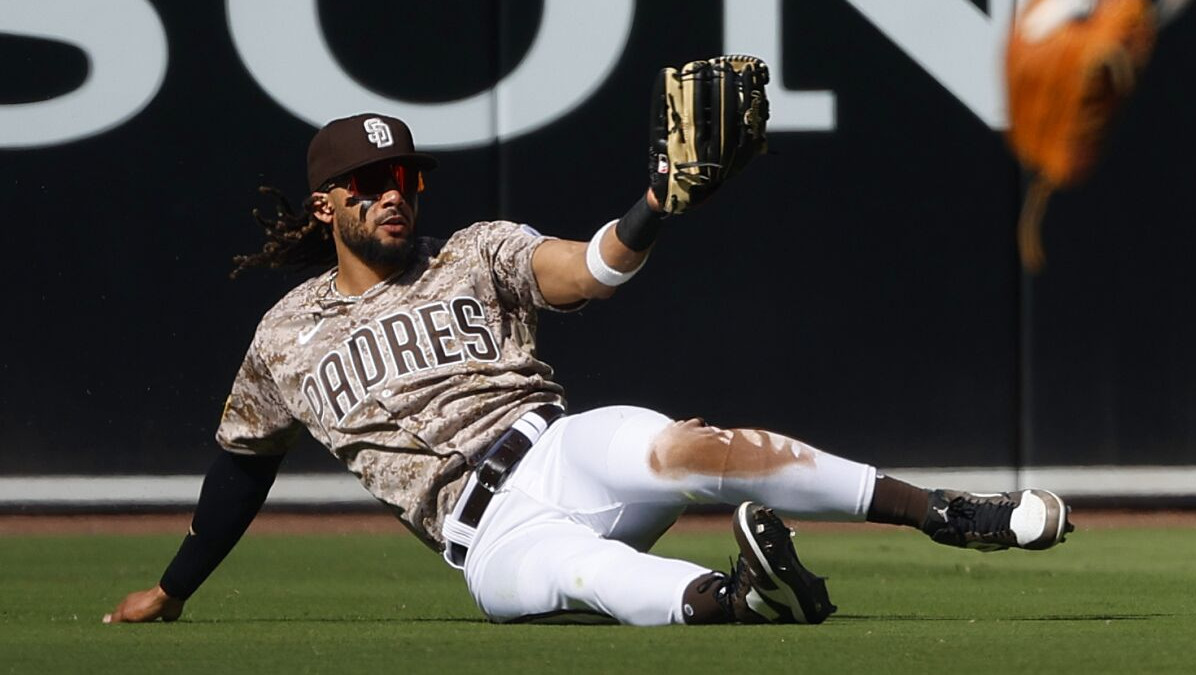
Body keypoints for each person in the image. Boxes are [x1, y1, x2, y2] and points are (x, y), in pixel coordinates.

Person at [104, 113, 1073, 626]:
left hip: (557, 451)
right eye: (371, 183)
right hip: (484, 544)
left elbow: (591, 269)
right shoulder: (283, 335)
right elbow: (243, 462)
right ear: (328, 207)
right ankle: (738, 601)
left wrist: (658, 203)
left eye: (407, 178)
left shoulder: (473, 251)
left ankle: (947, 514)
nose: (395, 195)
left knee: (682, 445)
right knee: (585, 573)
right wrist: (176, 586)